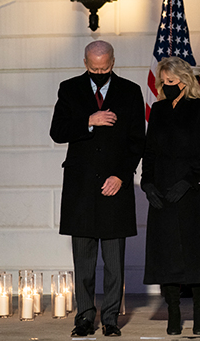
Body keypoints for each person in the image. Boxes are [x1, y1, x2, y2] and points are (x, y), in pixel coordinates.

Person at [50, 40, 145, 337]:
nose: (99, 72)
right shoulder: (69, 89)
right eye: (93, 68)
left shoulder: (130, 91)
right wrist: (89, 121)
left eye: (104, 68)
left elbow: (137, 142)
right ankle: (84, 317)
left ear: (113, 62)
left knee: (115, 263)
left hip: (115, 188)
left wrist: (121, 175)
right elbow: (58, 131)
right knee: (84, 262)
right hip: (81, 191)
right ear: (85, 62)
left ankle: (112, 318)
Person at [141, 56, 200, 336]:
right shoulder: (159, 109)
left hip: (195, 193)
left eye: (172, 81)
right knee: (167, 256)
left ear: (185, 80)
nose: (168, 86)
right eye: (164, 82)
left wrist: (188, 182)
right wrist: (147, 182)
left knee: (196, 255)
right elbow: (149, 150)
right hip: (164, 193)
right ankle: (173, 312)